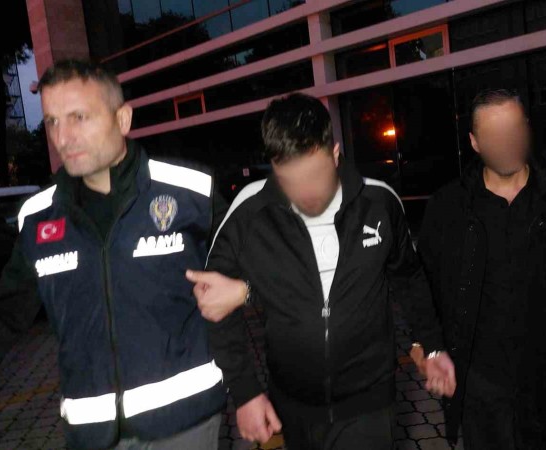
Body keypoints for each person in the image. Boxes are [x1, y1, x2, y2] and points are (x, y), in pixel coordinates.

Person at [185, 93, 456, 449]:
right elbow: (216, 303)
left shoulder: (378, 202)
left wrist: (432, 346)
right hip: (293, 406)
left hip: (370, 402)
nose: (307, 193)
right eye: (290, 181)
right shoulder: (248, 214)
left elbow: (409, 277)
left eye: (315, 175)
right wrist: (246, 392)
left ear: (335, 153)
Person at [0, 60, 226, 449]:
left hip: (184, 425)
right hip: (91, 435)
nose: (62, 137)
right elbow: (5, 314)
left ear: (123, 119)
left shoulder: (189, 192)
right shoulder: (39, 219)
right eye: (52, 121)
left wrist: (244, 291)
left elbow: (257, 263)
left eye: (79, 117)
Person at [412, 89, 546, 449]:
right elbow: (423, 286)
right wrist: (428, 348)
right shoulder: (448, 208)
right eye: (494, 134)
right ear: (475, 142)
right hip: (481, 389)